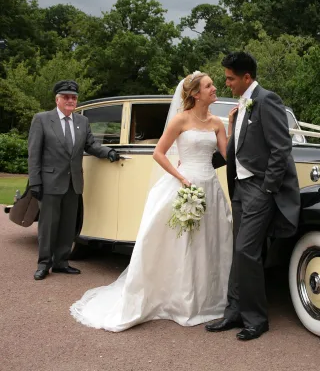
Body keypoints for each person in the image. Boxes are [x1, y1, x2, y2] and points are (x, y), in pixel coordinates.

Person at [69, 72, 233, 332]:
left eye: (213, 84)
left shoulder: (216, 123)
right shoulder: (180, 119)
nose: (215, 88)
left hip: (210, 188)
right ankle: (180, 300)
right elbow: (159, 153)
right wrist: (181, 178)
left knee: (210, 241)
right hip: (185, 185)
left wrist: (233, 127)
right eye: (209, 85)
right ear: (194, 93)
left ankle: (210, 299)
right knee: (183, 244)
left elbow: (228, 154)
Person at [205, 51, 300, 341]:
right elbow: (241, 146)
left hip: (260, 189)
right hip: (240, 188)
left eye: (231, 78)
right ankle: (234, 310)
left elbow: (281, 148)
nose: (227, 83)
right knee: (239, 250)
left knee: (248, 250)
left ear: (247, 78)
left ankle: (257, 319)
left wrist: (268, 187)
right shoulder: (242, 103)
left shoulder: (267, 100)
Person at [28, 80, 120, 281]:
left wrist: (109, 152)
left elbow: (91, 145)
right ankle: (44, 264)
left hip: (74, 183)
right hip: (49, 183)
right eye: (66, 97)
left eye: (74, 97)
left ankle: (61, 262)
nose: (71, 100)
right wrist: (35, 182)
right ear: (57, 99)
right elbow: (34, 154)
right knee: (48, 226)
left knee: (68, 225)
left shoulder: (81, 122)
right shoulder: (42, 119)